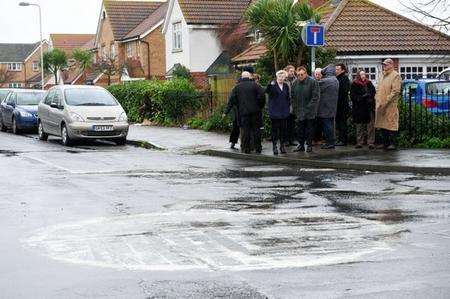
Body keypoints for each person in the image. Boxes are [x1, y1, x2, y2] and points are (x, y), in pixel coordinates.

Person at [226, 71, 265, 154]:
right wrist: (260, 106)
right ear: (250, 77)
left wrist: (226, 111)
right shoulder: (256, 86)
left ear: (242, 77)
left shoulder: (237, 87)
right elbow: (262, 96)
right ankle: (258, 148)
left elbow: (231, 100)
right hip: (256, 112)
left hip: (244, 113)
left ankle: (246, 148)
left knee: (246, 131)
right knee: (256, 130)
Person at [375, 58, 402, 150]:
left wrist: (386, 101)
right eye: (383, 64)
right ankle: (385, 143)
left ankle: (393, 143)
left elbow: (395, 91)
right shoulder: (382, 75)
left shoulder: (395, 76)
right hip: (381, 104)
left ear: (391, 65)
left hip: (390, 105)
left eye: (386, 64)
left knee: (391, 124)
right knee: (383, 125)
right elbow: (378, 88)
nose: (384, 66)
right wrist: (377, 99)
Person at [291, 66, 320, 153]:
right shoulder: (295, 83)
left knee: (309, 129)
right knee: (300, 129)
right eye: (298, 75)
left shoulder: (313, 82)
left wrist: (309, 108)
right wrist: (295, 108)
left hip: (310, 111)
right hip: (299, 110)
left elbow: (315, 97)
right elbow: (292, 97)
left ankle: (309, 145)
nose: (300, 76)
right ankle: (301, 145)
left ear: (306, 74)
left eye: (302, 74)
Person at [266, 70, 290, 155]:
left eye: (283, 77)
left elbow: (288, 98)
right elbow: (267, 91)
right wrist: (270, 84)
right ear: (277, 77)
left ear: (285, 78)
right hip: (274, 113)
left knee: (283, 130)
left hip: (284, 112)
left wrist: (288, 109)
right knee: (274, 131)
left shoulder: (286, 86)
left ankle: (282, 146)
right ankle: (274, 146)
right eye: (279, 76)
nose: (281, 78)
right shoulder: (272, 85)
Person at [350, 69, 377, 149]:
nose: (363, 76)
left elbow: (373, 91)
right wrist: (362, 97)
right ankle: (359, 142)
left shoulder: (369, 83)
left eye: (364, 74)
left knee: (370, 126)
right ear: (358, 75)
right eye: (361, 75)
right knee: (359, 126)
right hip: (359, 108)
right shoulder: (354, 84)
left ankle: (370, 142)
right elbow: (353, 96)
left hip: (368, 108)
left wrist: (369, 95)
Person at [316, 65, 339, 149]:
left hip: (325, 107)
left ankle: (329, 143)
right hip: (332, 107)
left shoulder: (327, 80)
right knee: (330, 125)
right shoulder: (335, 80)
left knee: (327, 126)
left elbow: (315, 86)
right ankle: (331, 142)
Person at [335, 63, 351, 146]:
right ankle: (340, 139)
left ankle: (343, 140)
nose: (336, 71)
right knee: (338, 123)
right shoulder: (336, 78)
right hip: (337, 105)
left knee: (342, 123)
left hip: (342, 105)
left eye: (338, 69)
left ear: (343, 70)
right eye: (336, 69)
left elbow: (344, 91)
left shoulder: (344, 79)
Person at [284, 65, 297, 146]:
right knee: (285, 124)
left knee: (292, 123)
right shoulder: (284, 80)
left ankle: (291, 140)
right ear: (287, 72)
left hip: (294, 105)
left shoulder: (296, 80)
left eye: (293, 71)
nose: (292, 73)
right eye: (291, 71)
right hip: (285, 105)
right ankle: (285, 140)